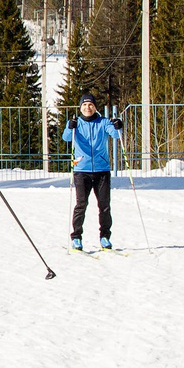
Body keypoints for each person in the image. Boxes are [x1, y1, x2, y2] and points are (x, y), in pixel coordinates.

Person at [63, 92, 122, 251]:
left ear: (95, 107)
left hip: (102, 170)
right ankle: (76, 237)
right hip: (82, 170)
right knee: (81, 204)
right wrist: (70, 127)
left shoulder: (103, 122)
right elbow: (66, 138)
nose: (87, 107)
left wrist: (118, 124)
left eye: (90, 105)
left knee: (104, 205)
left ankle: (105, 237)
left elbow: (116, 134)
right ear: (80, 107)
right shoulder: (76, 122)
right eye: (84, 105)